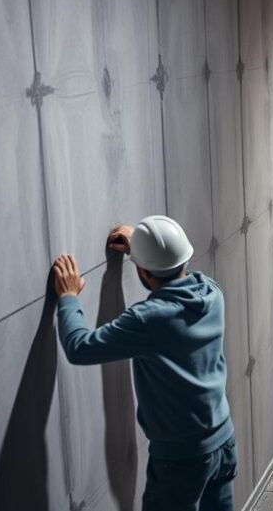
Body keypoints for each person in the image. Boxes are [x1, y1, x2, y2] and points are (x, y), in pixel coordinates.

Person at [50, 215, 237, 511]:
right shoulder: (211, 292)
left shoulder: (149, 318)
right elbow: (173, 265)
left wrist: (69, 298)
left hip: (181, 459)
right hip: (224, 442)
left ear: (145, 272)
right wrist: (143, 246)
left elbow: (80, 348)